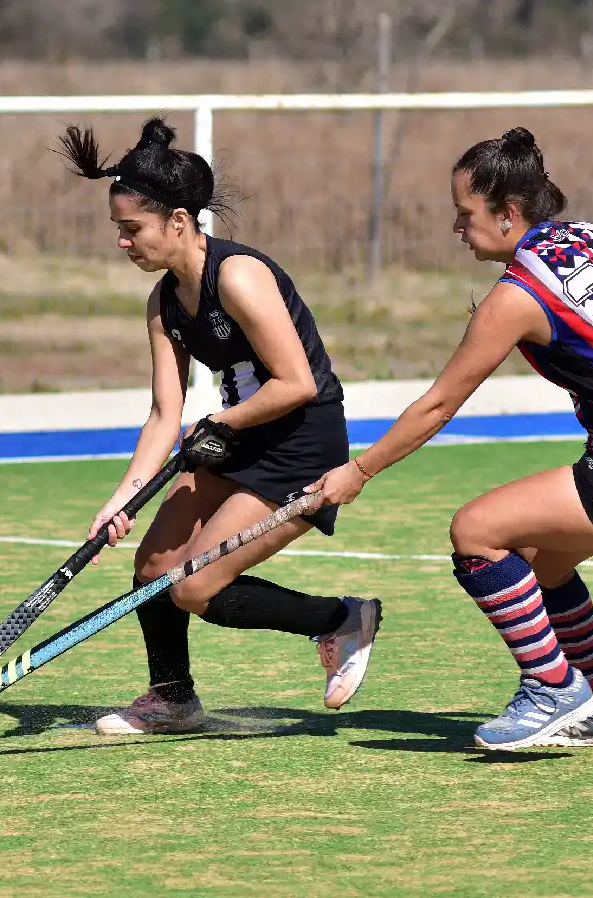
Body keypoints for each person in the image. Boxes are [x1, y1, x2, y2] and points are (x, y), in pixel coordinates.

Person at [309, 127, 593, 752]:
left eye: (465, 213)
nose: (457, 226)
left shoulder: (516, 296)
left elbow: (439, 405)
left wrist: (358, 471)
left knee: (475, 530)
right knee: (545, 561)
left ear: (507, 213)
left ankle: (553, 688)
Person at [55, 117, 383, 735]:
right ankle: (172, 699)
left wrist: (220, 422)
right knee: (154, 567)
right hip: (235, 437)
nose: (123, 242)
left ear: (179, 221)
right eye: (118, 229)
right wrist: (121, 499)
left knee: (195, 585)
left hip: (299, 446)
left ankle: (341, 618)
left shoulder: (238, 276)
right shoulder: (163, 302)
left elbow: (298, 382)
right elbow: (164, 413)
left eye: (133, 229)